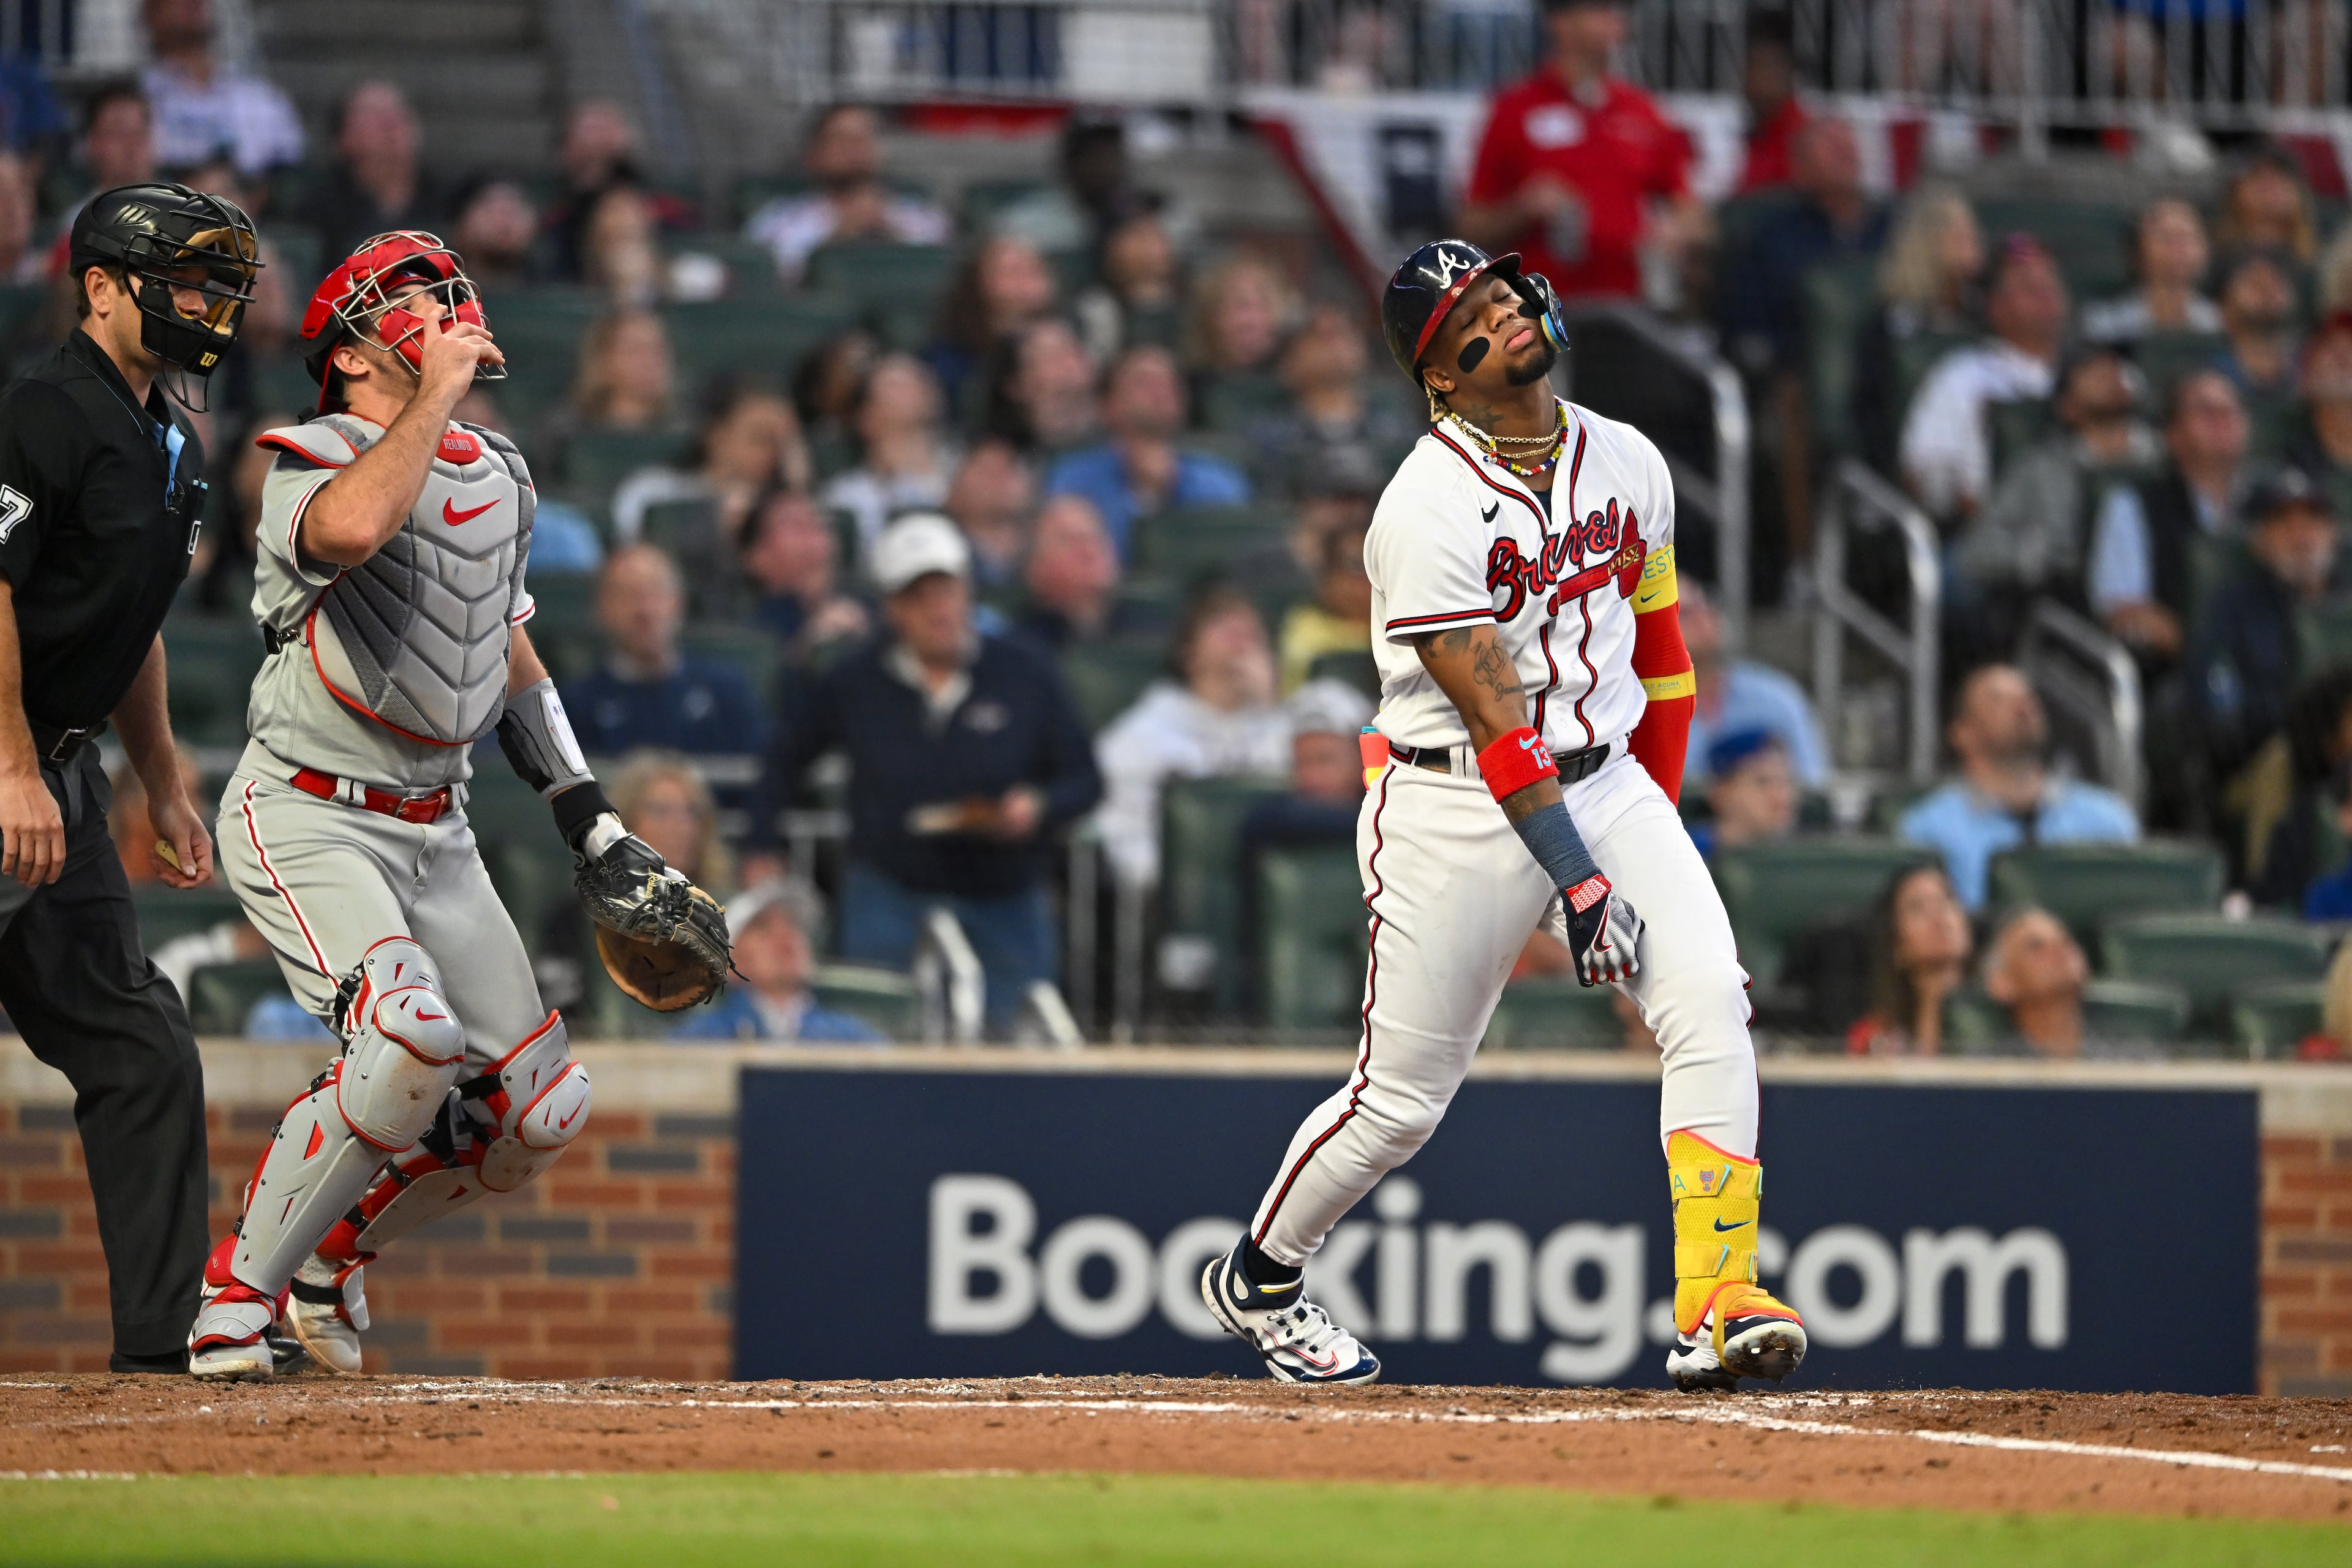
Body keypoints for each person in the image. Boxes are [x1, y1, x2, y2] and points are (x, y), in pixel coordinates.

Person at [1199, 239, 1806, 1395]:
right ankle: (1263, 1276)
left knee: (1708, 997)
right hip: (1454, 798)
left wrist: (1649, 839)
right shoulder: (1423, 505)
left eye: (1499, 289)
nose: (1503, 311)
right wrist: (1583, 880)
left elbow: (1665, 666)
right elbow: (1496, 727)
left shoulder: (1627, 459)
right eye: (1467, 314)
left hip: (1607, 774)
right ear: (1440, 375)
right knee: (1401, 1104)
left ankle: (1717, 1296)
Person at [186, 229, 722, 1379]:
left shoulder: (500, 471)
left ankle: (332, 1254)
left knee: (540, 1110)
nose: (441, 306)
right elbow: (350, 529)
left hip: (441, 824)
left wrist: (589, 815)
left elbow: (507, 652)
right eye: (410, 299)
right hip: (308, 809)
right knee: (406, 1036)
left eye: (443, 289)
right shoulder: (309, 451)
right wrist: (429, 402)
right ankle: (235, 1294)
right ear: (352, 351)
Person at [0, 184, 254, 1373]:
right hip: (14, 769)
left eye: (214, 286)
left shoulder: (175, 441)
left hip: (59, 777)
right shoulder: (39, 410)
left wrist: (159, 772)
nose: (204, 306)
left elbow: (135, 619)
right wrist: (9, 764)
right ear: (100, 286)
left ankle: (162, 1355)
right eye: (184, 281)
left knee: (141, 1048)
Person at [756, 513, 1102, 1032]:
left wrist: (1039, 806)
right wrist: (763, 849)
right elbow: (783, 758)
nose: (937, 609)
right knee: (877, 1040)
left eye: (946, 591)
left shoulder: (1025, 673)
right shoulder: (854, 681)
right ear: (892, 608)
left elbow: (1086, 779)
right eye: (918, 597)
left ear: (968, 591)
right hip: (890, 891)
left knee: (1018, 1051)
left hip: (1005, 893)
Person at [1458, 0, 1697, 301]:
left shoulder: (1642, 110)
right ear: (1561, 22)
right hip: (1538, 308)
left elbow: (1690, 209)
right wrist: (1523, 208)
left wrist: (1677, 230)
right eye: (1600, 10)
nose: (1614, 20)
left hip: (1627, 305)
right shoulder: (1513, 110)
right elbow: (1470, 225)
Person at [1094, 582, 1294, 890]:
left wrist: (1269, 707)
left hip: (1262, 889)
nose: (1242, 642)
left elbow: (1295, 793)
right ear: (1188, 655)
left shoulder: (1282, 723)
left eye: (1252, 634)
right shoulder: (1146, 730)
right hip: (1170, 893)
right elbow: (1117, 824)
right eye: (1226, 629)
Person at [1899, 663, 2139, 911]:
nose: (2022, 703)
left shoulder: (2106, 817)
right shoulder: (1928, 828)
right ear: (1962, 733)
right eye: (1998, 698)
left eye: (2027, 694)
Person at [1953, 344, 2158, 616]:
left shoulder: (2166, 458)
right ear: (2068, 407)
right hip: (2069, 612)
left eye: (2113, 367)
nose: (2108, 372)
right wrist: (2036, 554)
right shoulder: (2039, 469)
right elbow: (1976, 552)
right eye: (2091, 370)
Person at [533, 748, 736, 1017]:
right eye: (661, 811)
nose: (681, 826)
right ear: (623, 823)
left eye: (692, 812)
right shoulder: (580, 913)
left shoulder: (728, 908)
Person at [2188, 468, 2342, 796]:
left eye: (2314, 520)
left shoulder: (2346, 602)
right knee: (2283, 763)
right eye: (2284, 522)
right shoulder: (2235, 607)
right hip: (2271, 763)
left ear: (2333, 533)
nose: (2302, 535)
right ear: (2259, 540)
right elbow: (2220, 709)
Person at [1899, 233, 2070, 522]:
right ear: (1995, 306)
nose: (2045, 292)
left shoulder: (2098, 370)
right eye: (2029, 286)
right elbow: (1921, 475)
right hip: (1992, 539)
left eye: (2050, 282)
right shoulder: (1963, 376)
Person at [2087, 369, 2250, 668]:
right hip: (2176, 675)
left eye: (2230, 409)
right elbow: (2122, 611)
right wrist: (2201, 642)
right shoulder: (2134, 506)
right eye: (2205, 411)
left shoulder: (2274, 506)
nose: (2222, 419)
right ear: (2173, 435)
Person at [1717, 116, 1888, 384]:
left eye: (1848, 144)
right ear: (1801, 169)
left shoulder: (1891, 227)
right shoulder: (1772, 239)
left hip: (1883, 377)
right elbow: (1747, 332)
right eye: (1831, 146)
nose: (1845, 152)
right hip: (1801, 378)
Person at [1043, 344, 1250, 560]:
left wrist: (1166, 485)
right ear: (1108, 405)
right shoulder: (1074, 478)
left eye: (1168, 383)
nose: (1160, 391)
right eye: (1144, 382)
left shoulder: (1220, 480)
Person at [562, 543, 766, 760]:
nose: (645, 610)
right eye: (628, 595)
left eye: (656, 592)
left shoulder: (726, 694)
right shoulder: (576, 707)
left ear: (679, 602)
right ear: (601, 608)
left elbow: (757, 779)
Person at [1852, 185, 1983, 478]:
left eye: (1972, 234)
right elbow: (1874, 416)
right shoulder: (1888, 327)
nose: (1973, 244)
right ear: (1927, 244)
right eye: (1960, 236)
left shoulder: (1986, 316)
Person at [742, 104, 951, 287]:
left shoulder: (924, 219)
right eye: (840, 138)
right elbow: (770, 284)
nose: (854, 147)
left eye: (864, 136)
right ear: (814, 154)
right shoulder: (779, 222)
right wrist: (838, 238)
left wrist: (890, 234)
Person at [669, 879, 883, 1044]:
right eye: (763, 928)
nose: (786, 936)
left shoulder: (850, 1038)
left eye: (794, 923)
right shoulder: (702, 1038)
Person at [610, 373, 809, 547]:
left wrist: (796, 493)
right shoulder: (652, 493)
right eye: (760, 438)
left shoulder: (792, 504)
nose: (775, 452)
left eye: (785, 442)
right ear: (716, 435)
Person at [1250, 302, 1423, 499]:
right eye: (1321, 335)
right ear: (1288, 362)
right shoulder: (1271, 438)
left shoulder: (1397, 430)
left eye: (1345, 331)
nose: (1337, 341)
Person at [1679, 581, 1828, 788]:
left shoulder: (1777, 696)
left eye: (1705, 606)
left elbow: (1814, 786)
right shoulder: (1636, 706)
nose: (1702, 618)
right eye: (1684, 612)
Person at [138, 0, 301, 180]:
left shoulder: (263, 98)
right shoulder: (138, 99)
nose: (194, 3)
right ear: (151, 15)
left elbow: (291, 173)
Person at [819, 353, 957, 564]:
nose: (917, 386)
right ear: (866, 417)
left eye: (919, 378)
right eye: (896, 384)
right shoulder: (847, 496)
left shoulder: (962, 474)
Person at [298, 83, 446, 267]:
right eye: (373, 115)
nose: (392, 122)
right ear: (343, 138)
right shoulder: (317, 209)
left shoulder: (447, 201)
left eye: (401, 112)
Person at [1975, 906, 2153, 1060]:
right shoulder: (1985, 1072)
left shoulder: (2132, 1061)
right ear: (2001, 983)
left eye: (2065, 939)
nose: (2060, 948)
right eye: (2036, 946)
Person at [1845, 862, 1972, 1056]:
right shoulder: (1873, 1037)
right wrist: (1931, 1004)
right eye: (1918, 908)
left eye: (1947, 899)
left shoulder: (2009, 1011)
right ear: (1896, 945)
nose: (1939, 916)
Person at [927, 233, 1058, 417]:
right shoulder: (950, 358)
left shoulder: (1071, 338)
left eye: (1034, 270)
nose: (1027, 281)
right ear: (978, 283)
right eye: (1013, 271)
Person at [741, 487, 869, 657]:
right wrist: (807, 646)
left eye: (820, 526)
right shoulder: (747, 630)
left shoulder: (869, 609)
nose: (815, 540)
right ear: (756, 556)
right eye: (797, 526)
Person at [1014, 492, 1147, 650]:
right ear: (1035, 567)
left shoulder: (1149, 635)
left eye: (1096, 538)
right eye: (1072, 540)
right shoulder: (1019, 651)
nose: (1090, 550)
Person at [2081, 198, 2223, 344]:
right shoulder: (2105, 324)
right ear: (2137, 249)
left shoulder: (2218, 324)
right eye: (2166, 238)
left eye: (2189, 237)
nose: (2180, 248)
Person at [1073, 203, 1183, 362]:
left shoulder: (1190, 302)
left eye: (1155, 237)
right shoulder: (1099, 307)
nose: (1148, 248)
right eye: (1138, 238)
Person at [1276, 519, 1373, 694]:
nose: (1368, 580)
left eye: (1375, 567)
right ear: (1327, 577)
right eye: (1356, 566)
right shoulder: (1305, 626)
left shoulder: (1402, 623)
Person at [984, 316, 1101, 456]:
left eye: (1074, 350)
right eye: (1052, 357)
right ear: (1016, 386)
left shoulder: (1122, 443)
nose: (1071, 362)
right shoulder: (1004, 461)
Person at [2211, 246, 2303, 411]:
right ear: (2223, 304)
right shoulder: (2209, 369)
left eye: (2278, 282)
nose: (2268, 290)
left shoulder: (2310, 365)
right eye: (2255, 283)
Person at [1687, 729, 1798, 861]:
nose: (1781, 796)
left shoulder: (1801, 857)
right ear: (1720, 792)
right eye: (1762, 782)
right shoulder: (1686, 852)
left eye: (1785, 782)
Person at [942, 437, 1036, 588]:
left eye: (1010, 468)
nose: (1002, 480)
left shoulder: (1039, 548)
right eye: (989, 471)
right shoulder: (943, 550)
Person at [1732, 8, 1805, 194]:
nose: (1756, 82)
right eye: (1751, 71)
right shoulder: (1755, 133)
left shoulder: (1800, 138)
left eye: (1765, 70)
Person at [2214, 142, 2318, 265]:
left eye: (2281, 176)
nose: (2269, 185)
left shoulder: (2319, 265)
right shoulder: (2213, 261)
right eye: (2256, 174)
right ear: (2235, 191)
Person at [448, 176, 543, 292]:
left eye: (514, 208)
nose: (504, 220)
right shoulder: (433, 301)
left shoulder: (555, 295)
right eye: (490, 208)